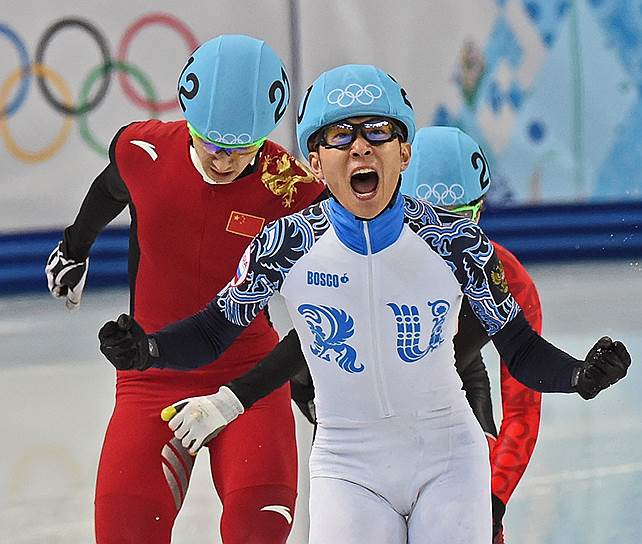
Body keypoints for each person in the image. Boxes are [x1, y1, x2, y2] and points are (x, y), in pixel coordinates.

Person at [97, 64, 631, 544]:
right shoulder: (286, 242)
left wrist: (580, 376)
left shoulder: (457, 243)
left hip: (447, 460)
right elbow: (215, 331)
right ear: (314, 160)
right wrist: (148, 348)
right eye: (339, 135)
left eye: (378, 131)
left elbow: (520, 349)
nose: (359, 147)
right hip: (348, 467)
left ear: (404, 152)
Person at [45, 35, 324, 544]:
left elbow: (333, 295)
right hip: (151, 377)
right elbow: (112, 188)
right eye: (211, 142)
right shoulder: (144, 149)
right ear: (188, 119)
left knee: (254, 534)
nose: (223, 160)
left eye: (242, 149)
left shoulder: (292, 186)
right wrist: (74, 246)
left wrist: (301, 373)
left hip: (249, 378)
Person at [401, 125, 544, 543]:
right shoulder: (352, 260)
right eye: (430, 218)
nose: (448, 238)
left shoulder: (508, 280)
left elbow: (522, 413)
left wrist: (492, 504)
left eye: (462, 219)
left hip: (458, 382)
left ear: (481, 211)